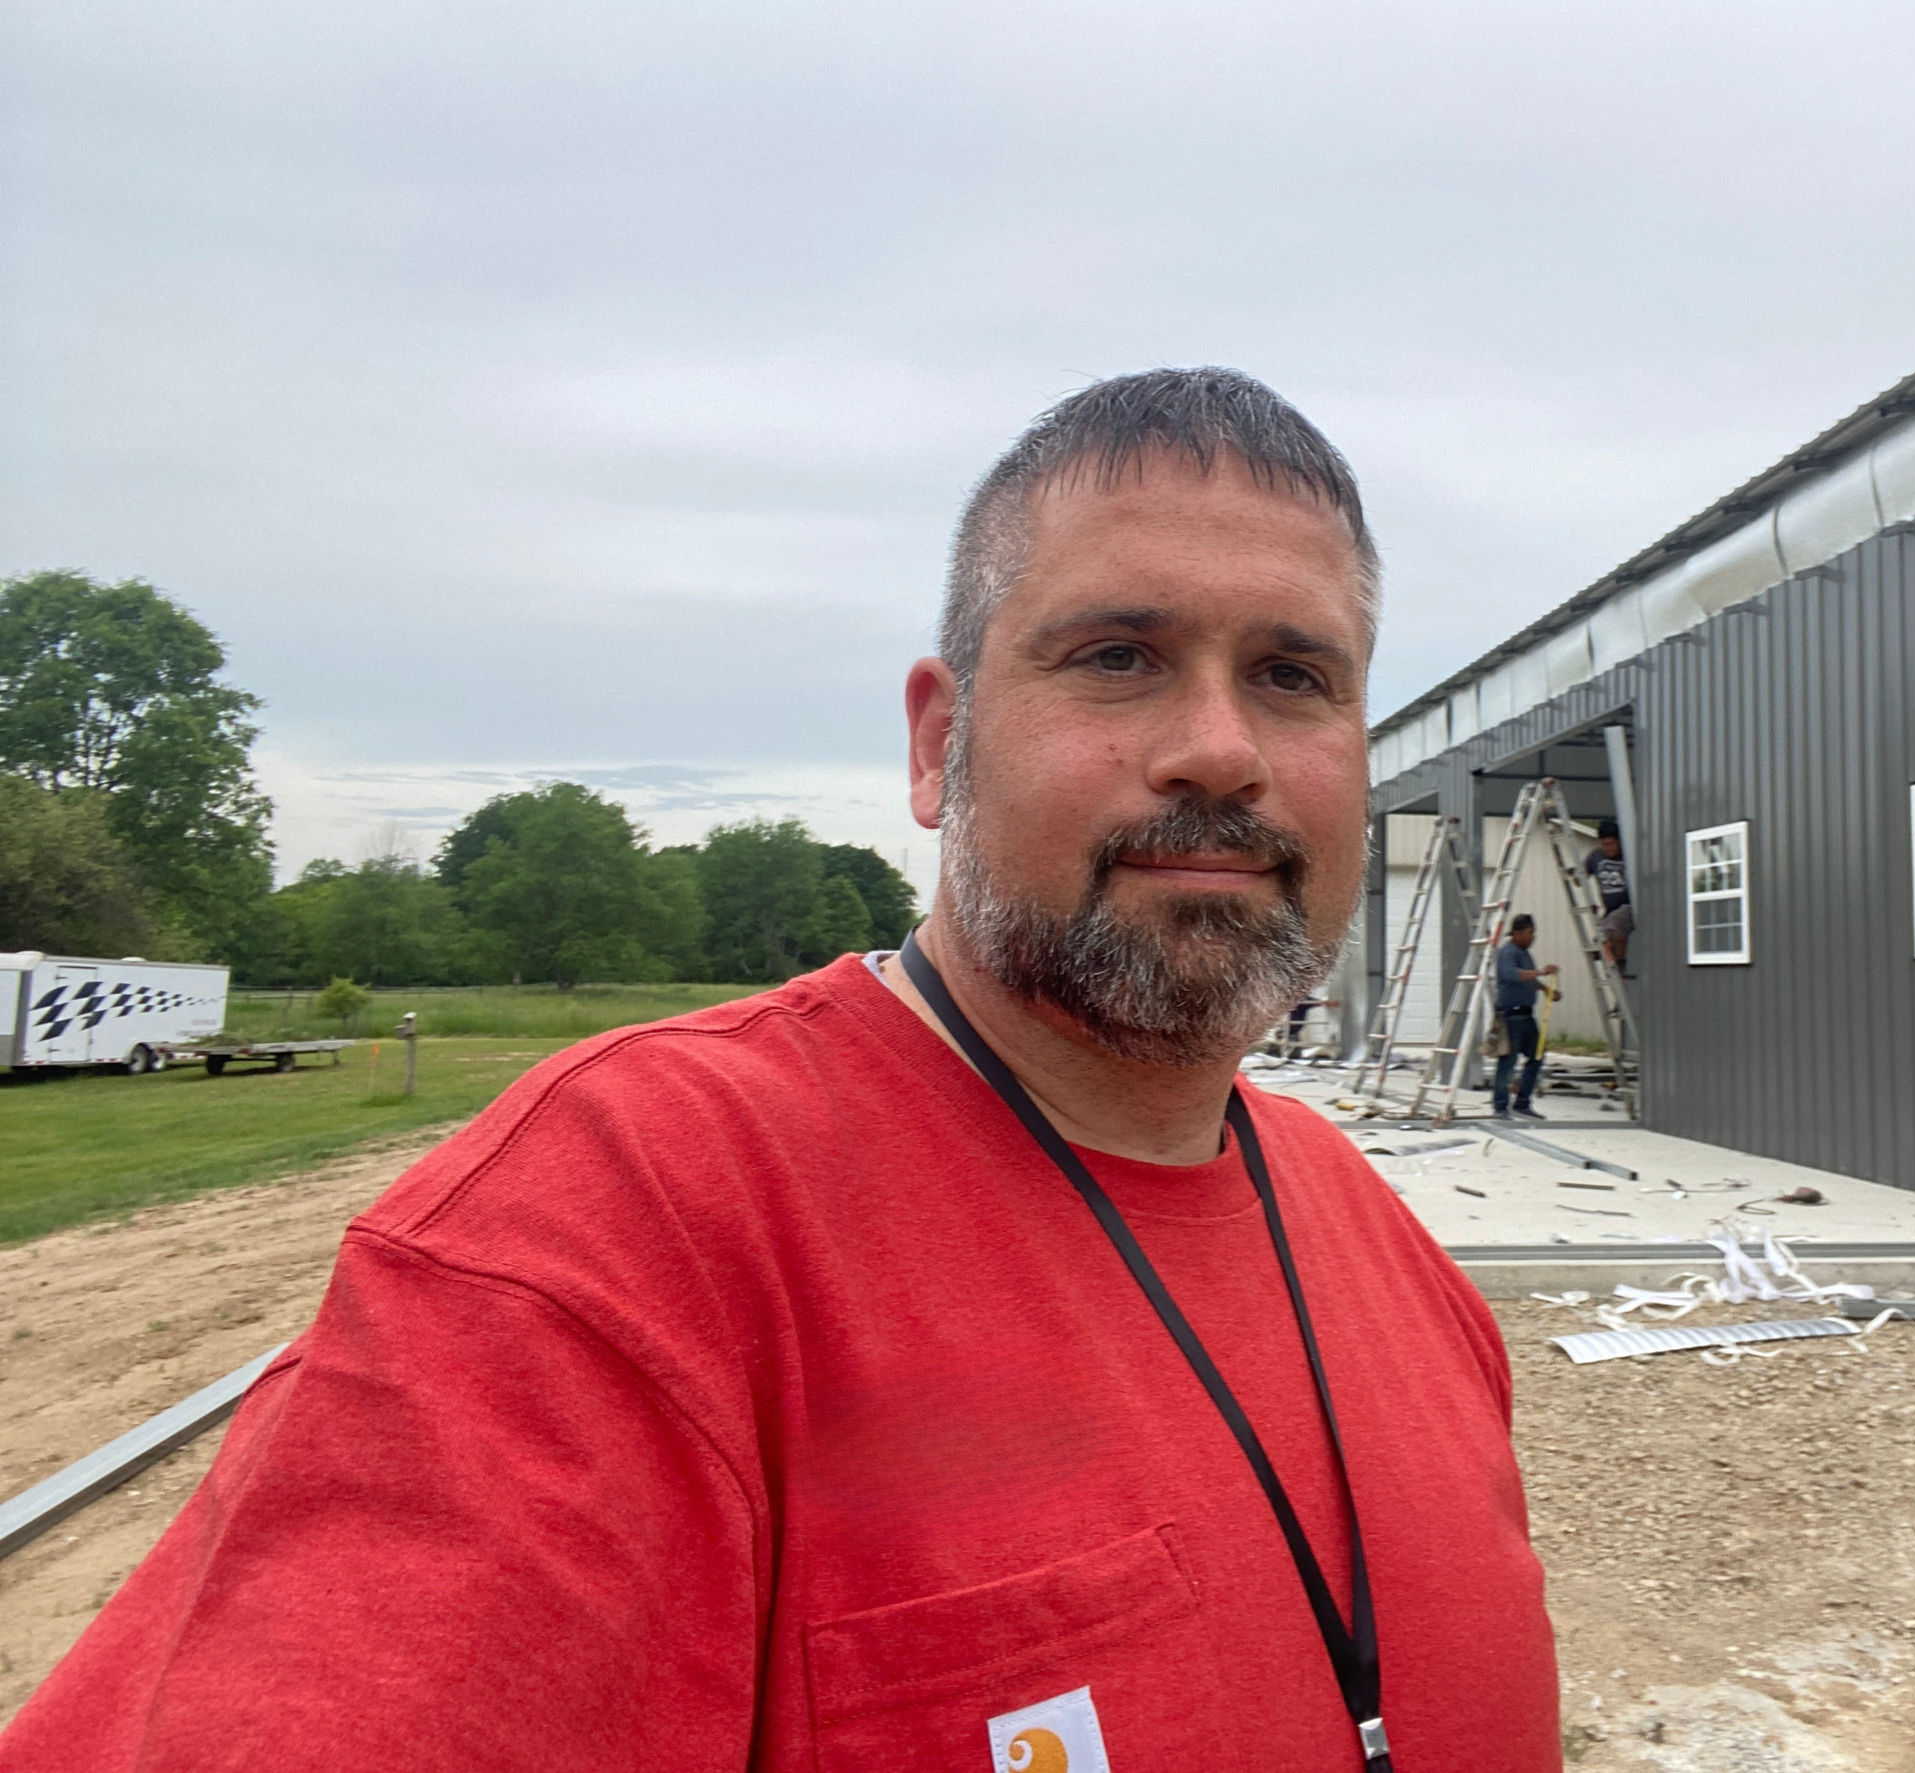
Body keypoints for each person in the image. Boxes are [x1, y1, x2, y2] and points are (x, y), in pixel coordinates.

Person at [6, 371, 1561, 1770]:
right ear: (936, 744)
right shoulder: (606, 1242)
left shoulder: (1386, 1253)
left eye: (1297, 676)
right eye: (1118, 656)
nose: (1219, 747)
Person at [1489, 915, 1558, 1120]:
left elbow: (1528, 978)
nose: (1532, 937)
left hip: (1527, 1016)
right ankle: (1500, 1106)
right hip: (1511, 1016)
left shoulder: (1525, 953)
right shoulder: (1507, 953)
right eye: (1529, 933)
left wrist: (1545, 989)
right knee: (1507, 1062)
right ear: (1517, 933)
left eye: (1533, 933)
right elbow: (1513, 975)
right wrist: (1541, 972)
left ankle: (1522, 1102)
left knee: (1536, 1056)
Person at [1585, 820, 1635, 977]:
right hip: (1610, 908)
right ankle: (1613, 970)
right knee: (1601, 941)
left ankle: (1620, 965)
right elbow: (1581, 876)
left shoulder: (1627, 855)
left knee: (1615, 929)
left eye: (1612, 844)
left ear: (1619, 842)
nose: (1609, 849)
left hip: (1628, 906)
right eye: (1604, 844)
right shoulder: (1595, 857)